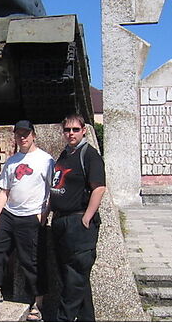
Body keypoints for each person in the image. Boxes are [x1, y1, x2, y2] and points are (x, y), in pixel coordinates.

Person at [0, 120, 53, 322]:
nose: (23, 137)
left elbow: (51, 190)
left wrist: (44, 214)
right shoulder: (11, 162)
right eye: (19, 134)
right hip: (9, 214)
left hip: (32, 215)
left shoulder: (45, 160)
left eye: (26, 133)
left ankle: (38, 303)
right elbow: (4, 191)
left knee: (32, 260)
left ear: (33, 135)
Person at [50, 114, 106, 321]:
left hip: (78, 223)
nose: (71, 133)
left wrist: (86, 218)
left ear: (83, 130)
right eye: (67, 130)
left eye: (75, 129)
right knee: (72, 277)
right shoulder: (65, 155)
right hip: (61, 222)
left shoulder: (89, 155)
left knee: (74, 278)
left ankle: (63, 319)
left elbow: (99, 188)